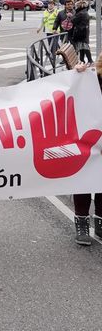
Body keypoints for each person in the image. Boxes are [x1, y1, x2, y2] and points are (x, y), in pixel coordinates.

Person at [72, 57, 102, 245]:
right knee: (83, 178)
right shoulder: (93, 77)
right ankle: (81, 221)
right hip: (89, 136)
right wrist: (77, 73)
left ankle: (100, 220)